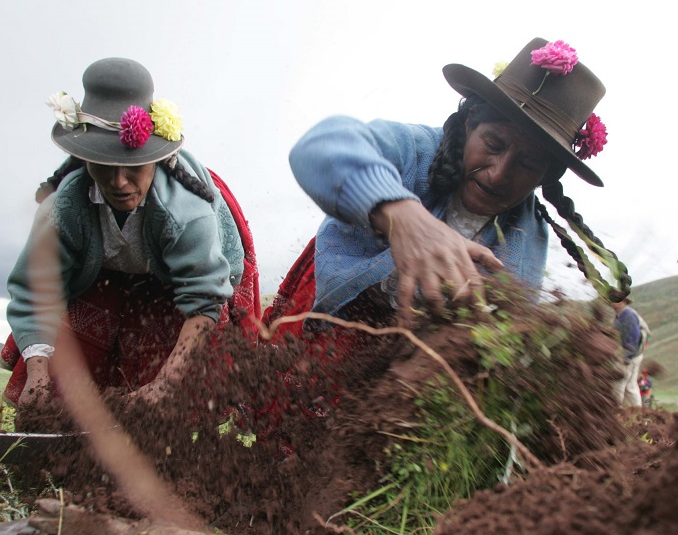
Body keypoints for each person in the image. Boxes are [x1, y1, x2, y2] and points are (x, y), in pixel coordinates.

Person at [263, 37, 630, 339]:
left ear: (546, 177)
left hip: (403, 371)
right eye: (494, 144)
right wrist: (403, 218)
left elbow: (501, 330)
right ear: (470, 123)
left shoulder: (524, 238)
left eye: (528, 164)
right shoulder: (416, 150)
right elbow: (320, 148)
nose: (499, 174)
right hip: (324, 319)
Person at [1, 58, 260, 409]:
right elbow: (35, 293)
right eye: (105, 167)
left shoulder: (186, 213)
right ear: (86, 159)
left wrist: (164, 387)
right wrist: (38, 376)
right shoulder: (64, 211)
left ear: (155, 158)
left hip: (183, 278)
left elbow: (203, 299)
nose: (119, 182)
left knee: (175, 403)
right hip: (100, 273)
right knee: (64, 383)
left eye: (134, 166)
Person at [610, 297, 644, 407]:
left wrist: (626, 358)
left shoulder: (628, 315)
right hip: (633, 355)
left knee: (618, 385)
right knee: (630, 386)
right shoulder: (621, 315)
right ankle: (637, 412)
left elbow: (633, 337)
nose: (613, 302)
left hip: (628, 356)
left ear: (624, 302)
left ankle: (617, 412)